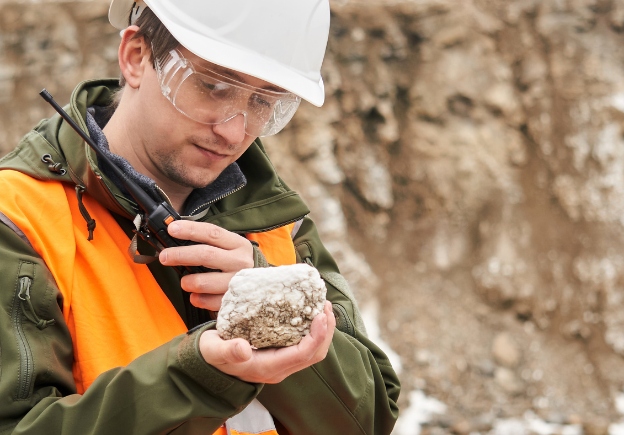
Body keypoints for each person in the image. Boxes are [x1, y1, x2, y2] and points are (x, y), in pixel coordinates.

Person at [0, 0, 400, 434]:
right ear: (137, 58)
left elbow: (369, 419)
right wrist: (201, 375)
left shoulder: (276, 223)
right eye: (212, 86)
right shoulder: (18, 222)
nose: (234, 131)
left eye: (265, 102)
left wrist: (276, 314)